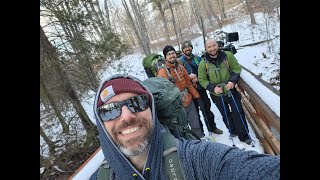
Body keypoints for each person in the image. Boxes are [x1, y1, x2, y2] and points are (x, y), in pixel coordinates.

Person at [90, 74, 280, 179]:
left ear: (151, 110)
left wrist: (197, 96)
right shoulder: (100, 177)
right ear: (100, 123)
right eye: (110, 110)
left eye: (137, 102)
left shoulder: (196, 159)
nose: (127, 115)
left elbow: (250, 169)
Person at [198, 39, 252, 144]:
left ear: (217, 45)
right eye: (209, 47)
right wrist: (213, 88)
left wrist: (232, 81)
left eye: (214, 45)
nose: (212, 48)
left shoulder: (227, 56)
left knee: (238, 112)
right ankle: (232, 130)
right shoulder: (203, 62)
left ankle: (244, 135)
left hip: (230, 89)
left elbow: (236, 68)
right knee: (225, 113)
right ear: (206, 49)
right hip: (216, 93)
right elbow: (202, 80)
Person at [157, 45, 204, 138]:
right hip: (176, 104)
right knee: (182, 127)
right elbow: (163, 91)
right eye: (169, 54)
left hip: (188, 99)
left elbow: (188, 84)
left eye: (173, 53)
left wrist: (197, 97)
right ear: (165, 57)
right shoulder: (163, 71)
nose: (172, 56)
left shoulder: (181, 68)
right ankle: (187, 144)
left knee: (195, 123)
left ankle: (199, 139)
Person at [178, 40, 223, 135]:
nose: (187, 49)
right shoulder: (180, 62)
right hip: (189, 90)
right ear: (182, 50)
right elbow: (179, 76)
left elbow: (205, 72)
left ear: (191, 47)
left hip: (200, 88)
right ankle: (200, 132)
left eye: (189, 47)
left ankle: (212, 127)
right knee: (195, 113)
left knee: (206, 108)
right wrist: (189, 78)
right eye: (185, 47)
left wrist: (198, 78)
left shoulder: (198, 59)